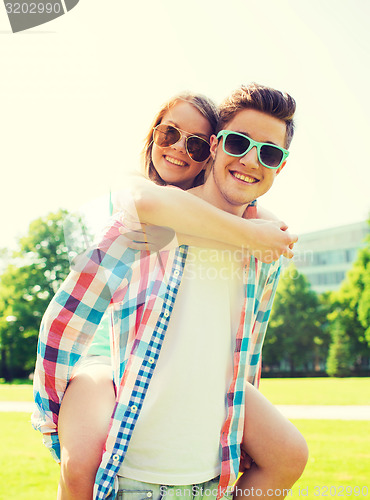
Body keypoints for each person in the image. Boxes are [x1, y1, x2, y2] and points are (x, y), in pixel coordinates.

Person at [32, 83, 306, 500]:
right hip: (113, 384)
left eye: (269, 153)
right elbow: (67, 315)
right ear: (217, 147)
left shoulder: (265, 245)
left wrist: (237, 423)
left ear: (281, 166)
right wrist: (58, 408)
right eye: (238, 143)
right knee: (78, 465)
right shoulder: (148, 217)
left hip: (208, 463)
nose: (251, 160)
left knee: (290, 454)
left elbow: (249, 344)